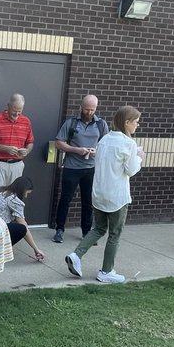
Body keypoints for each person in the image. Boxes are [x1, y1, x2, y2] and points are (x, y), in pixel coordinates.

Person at [65, 106, 144, 283]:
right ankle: (106, 271)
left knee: (99, 229)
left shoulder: (104, 140)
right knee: (114, 234)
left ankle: (76, 255)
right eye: (136, 122)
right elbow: (131, 170)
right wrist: (139, 156)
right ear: (127, 122)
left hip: (99, 193)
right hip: (117, 196)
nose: (137, 126)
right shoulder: (129, 144)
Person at [52, 94, 109, 243]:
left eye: (92, 109)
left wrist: (96, 151)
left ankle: (86, 232)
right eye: (86, 109)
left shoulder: (101, 124)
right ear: (81, 107)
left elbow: (106, 145)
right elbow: (59, 143)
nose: (89, 112)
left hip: (91, 168)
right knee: (65, 199)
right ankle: (59, 230)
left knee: (88, 201)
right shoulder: (71, 123)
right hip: (72, 167)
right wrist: (77, 150)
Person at [0, 176, 45, 262]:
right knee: (21, 229)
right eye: (27, 193)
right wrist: (36, 248)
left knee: (13, 224)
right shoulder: (14, 200)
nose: (25, 196)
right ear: (22, 190)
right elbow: (24, 227)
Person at [0, 93, 34, 193]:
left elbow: (30, 142)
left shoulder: (26, 121)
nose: (17, 114)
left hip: (17, 165)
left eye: (20, 111)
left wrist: (27, 151)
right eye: (14, 110)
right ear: (8, 106)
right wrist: (5, 148)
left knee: (14, 197)